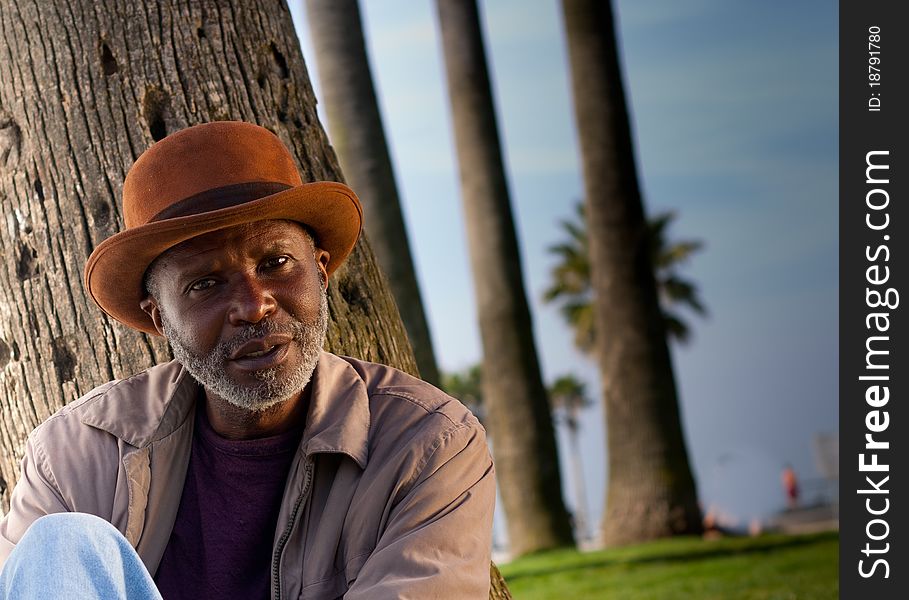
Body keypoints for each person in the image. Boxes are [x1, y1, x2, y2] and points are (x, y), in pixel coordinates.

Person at [0, 121, 495, 599]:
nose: (254, 304)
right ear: (160, 318)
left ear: (320, 272)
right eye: (205, 284)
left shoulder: (429, 445)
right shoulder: (78, 450)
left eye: (276, 263)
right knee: (58, 545)